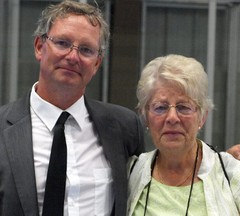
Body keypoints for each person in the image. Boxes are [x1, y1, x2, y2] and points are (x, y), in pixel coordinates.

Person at [0, 1, 144, 216]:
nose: (72, 57)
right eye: (62, 43)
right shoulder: (3, 128)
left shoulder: (124, 127)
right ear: (40, 46)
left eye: (86, 49)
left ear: (97, 63)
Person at [127, 54, 240, 216]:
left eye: (183, 107)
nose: (172, 118)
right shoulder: (128, 173)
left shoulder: (236, 177)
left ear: (202, 117)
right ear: (146, 116)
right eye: (160, 107)